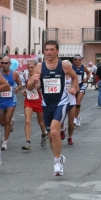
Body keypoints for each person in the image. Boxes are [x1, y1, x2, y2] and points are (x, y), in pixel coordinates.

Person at [27, 40, 79, 176]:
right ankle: (59, 156)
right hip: (45, 103)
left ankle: (57, 163)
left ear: (57, 51)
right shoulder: (39, 67)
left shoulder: (64, 65)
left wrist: (74, 87)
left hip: (61, 102)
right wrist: (33, 80)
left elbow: (74, 78)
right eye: (46, 50)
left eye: (51, 49)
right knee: (50, 135)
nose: (49, 52)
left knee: (55, 132)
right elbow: (29, 88)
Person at [0, 56, 22, 150]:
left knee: (7, 119)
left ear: (10, 64)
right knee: (2, 121)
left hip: (11, 99)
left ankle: (5, 141)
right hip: (0, 99)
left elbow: (20, 84)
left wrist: (18, 88)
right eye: (2, 63)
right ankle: (10, 122)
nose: (3, 65)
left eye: (5, 63)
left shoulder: (14, 74)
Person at [22, 59, 48, 150]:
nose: (30, 69)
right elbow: (26, 87)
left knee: (41, 122)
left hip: (38, 100)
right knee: (27, 121)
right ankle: (28, 142)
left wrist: (30, 86)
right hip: (29, 100)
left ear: (36, 67)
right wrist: (24, 91)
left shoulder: (39, 76)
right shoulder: (25, 75)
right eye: (28, 67)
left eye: (32, 67)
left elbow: (37, 86)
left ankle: (44, 134)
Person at [60, 60, 77, 145]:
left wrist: (73, 90)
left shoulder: (73, 77)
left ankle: (70, 137)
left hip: (71, 101)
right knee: (60, 120)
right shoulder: (60, 76)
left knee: (71, 121)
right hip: (62, 101)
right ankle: (62, 129)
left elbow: (77, 88)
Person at [72, 54, 90, 127]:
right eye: (75, 60)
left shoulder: (83, 67)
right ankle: (75, 117)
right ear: (73, 61)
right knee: (72, 104)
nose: (77, 61)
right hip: (73, 86)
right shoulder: (71, 67)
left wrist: (86, 78)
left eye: (79, 60)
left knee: (78, 103)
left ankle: (76, 118)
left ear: (81, 61)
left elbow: (89, 73)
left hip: (81, 86)